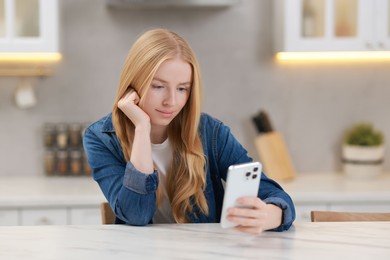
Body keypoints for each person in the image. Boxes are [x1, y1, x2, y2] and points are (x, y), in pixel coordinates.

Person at [83, 28, 295, 234]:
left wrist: (268, 215)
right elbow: (136, 215)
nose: (171, 102)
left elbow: (277, 197)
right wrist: (141, 128)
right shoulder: (100, 138)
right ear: (133, 84)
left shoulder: (210, 132)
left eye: (182, 88)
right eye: (158, 86)